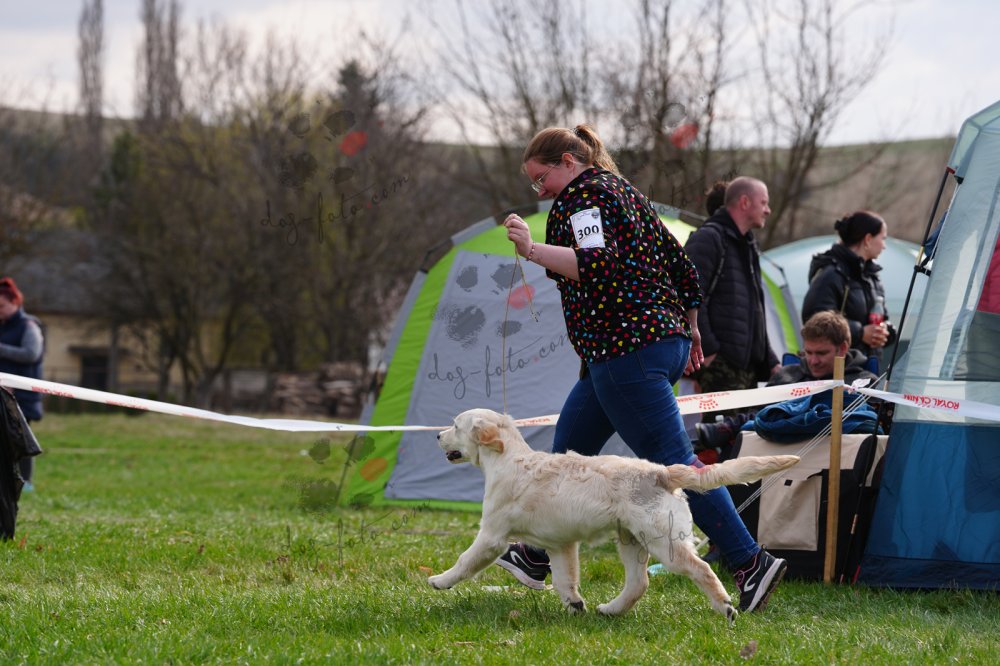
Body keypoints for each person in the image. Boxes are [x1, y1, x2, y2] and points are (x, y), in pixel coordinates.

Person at [499, 124, 787, 613]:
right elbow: (683, 268)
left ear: (568, 162)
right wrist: (691, 328)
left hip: (626, 349)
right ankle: (534, 554)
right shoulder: (627, 193)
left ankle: (750, 562)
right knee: (568, 451)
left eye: (542, 178)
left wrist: (530, 249)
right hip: (651, 344)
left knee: (677, 466)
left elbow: (596, 265)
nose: (540, 191)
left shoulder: (583, 198)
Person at [696, 311, 878, 452]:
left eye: (821, 353)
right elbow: (760, 413)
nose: (813, 360)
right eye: (808, 352)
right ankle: (727, 428)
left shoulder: (864, 382)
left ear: (842, 348)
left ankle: (729, 427)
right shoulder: (787, 375)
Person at [683, 177, 781, 413]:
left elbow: (755, 311)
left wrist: (769, 360)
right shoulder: (708, 239)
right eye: (764, 202)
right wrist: (710, 352)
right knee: (716, 434)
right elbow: (687, 295)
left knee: (743, 435)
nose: (768, 210)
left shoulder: (748, 245)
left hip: (747, 368)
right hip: (721, 367)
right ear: (745, 202)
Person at [801, 211, 896, 370]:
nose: (884, 246)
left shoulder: (872, 277)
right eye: (883, 238)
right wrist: (860, 333)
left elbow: (882, 317)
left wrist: (886, 331)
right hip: (837, 371)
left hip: (868, 369)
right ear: (868, 239)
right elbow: (814, 319)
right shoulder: (831, 274)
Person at [0, 277, 44, 491]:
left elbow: (31, 353)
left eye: (1, 306)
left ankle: (26, 482)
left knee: (22, 441)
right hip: (3, 394)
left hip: (23, 396)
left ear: (15, 303)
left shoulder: (29, 325)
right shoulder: (3, 327)